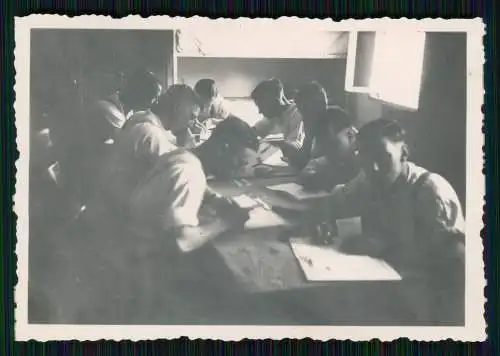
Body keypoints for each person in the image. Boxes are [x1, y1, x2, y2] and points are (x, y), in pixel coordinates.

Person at [309, 118, 465, 321]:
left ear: (404, 153)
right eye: (364, 156)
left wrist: (382, 248)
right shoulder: (368, 178)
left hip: (425, 303)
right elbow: (335, 201)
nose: (373, 167)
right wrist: (324, 220)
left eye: (383, 157)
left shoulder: (430, 192)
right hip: (381, 285)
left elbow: (454, 263)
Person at [129, 117, 260, 253]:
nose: (241, 171)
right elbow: (183, 241)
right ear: (224, 149)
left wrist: (213, 198)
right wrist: (225, 222)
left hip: (136, 243)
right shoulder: (190, 173)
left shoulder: (183, 155)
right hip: (145, 257)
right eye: (241, 162)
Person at [100, 84, 200, 210]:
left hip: (120, 200)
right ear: (177, 108)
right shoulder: (148, 131)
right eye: (192, 117)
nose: (193, 123)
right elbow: (176, 174)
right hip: (122, 211)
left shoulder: (143, 118)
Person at [298, 106, 359, 191]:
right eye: (330, 144)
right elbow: (305, 175)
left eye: (336, 143)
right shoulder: (328, 160)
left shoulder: (361, 160)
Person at [251, 78, 305, 163]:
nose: (260, 111)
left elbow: (295, 149)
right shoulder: (273, 117)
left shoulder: (297, 115)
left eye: (261, 106)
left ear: (275, 101)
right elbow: (251, 132)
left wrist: (271, 142)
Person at [285, 81, 329, 169]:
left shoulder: (335, 122)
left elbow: (334, 159)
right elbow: (305, 157)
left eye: (304, 108)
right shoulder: (312, 122)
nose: (303, 116)